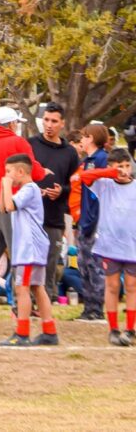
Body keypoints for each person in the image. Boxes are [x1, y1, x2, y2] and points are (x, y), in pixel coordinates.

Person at [0, 106, 47, 320]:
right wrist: (43, 173)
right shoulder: (17, 142)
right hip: (11, 203)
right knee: (19, 253)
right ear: (12, 124)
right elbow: (32, 169)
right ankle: (19, 304)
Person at [78, 148, 136, 345]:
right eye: (120, 166)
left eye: (127, 166)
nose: (124, 170)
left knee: (132, 286)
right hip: (109, 246)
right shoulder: (104, 185)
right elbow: (84, 176)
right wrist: (110, 173)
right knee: (112, 286)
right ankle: (113, 329)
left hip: (132, 247)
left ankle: (130, 329)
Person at [0, 154, 58, 346]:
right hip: (31, 247)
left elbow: (10, 206)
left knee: (21, 288)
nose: (7, 175)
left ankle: (22, 333)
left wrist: (7, 185)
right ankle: (49, 331)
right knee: (37, 287)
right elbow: (3, 208)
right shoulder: (26, 190)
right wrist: (3, 186)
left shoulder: (30, 189)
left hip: (29, 247)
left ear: (21, 171)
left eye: (9, 171)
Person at [27, 102, 80, 301]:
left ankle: (47, 302)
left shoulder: (70, 152)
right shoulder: (31, 145)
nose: (49, 125)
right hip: (30, 215)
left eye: (54, 121)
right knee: (28, 262)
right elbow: (19, 175)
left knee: (50, 263)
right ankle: (24, 302)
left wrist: (61, 191)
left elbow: (75, 185)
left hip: (54, 216)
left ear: (62, 123)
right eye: (46, 120)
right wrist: (33, 189)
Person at [73, 123, 109, 321]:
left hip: (96, 219)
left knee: (94, 265)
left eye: (85, 136)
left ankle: (97, 308)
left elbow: (99, 193)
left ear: (92, 138)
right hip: (85, 217)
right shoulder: (87, 161)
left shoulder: (101, 159)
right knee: (83, 264)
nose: (82, 140)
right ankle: (88, 307)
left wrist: (92, 219)